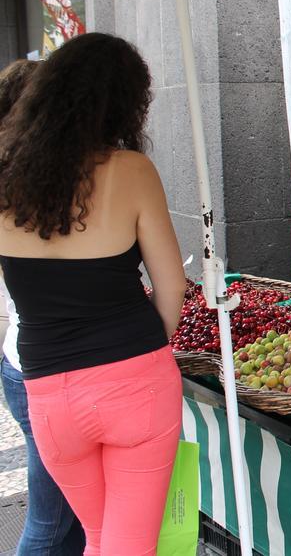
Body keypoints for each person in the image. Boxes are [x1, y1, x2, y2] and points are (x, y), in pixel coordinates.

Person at [0, 33, 188, 555]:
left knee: (100, 536)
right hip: (135, 379)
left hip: (48, 390)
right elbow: (171, 286)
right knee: (129, 546)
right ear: (127, 102)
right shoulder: (131, 170)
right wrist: (143, 356)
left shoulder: (6, 177)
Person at [0, 59, 85, 555]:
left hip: (26, 362)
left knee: (71, 521)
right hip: (44, 371)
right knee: (51, 522)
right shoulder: (35, 187)